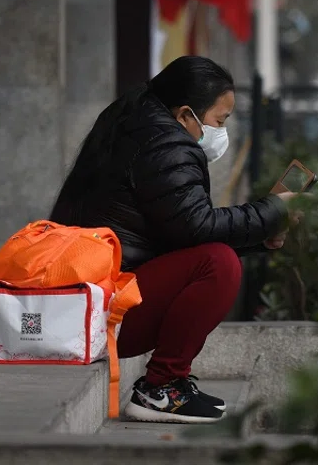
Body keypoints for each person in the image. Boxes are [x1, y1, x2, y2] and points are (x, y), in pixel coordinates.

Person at [50, 56, 293, 424]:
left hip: (89, 300)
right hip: (104, 310)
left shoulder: (138, 124)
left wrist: (262, 237)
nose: (220, 131)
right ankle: (160, 387)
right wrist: (273, 211)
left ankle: (167, 385)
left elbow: (178, 231)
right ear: (185, 115)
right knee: (218, 265)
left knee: (215, 257)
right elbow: (196, 228)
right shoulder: (165, 144)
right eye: (219, 121)